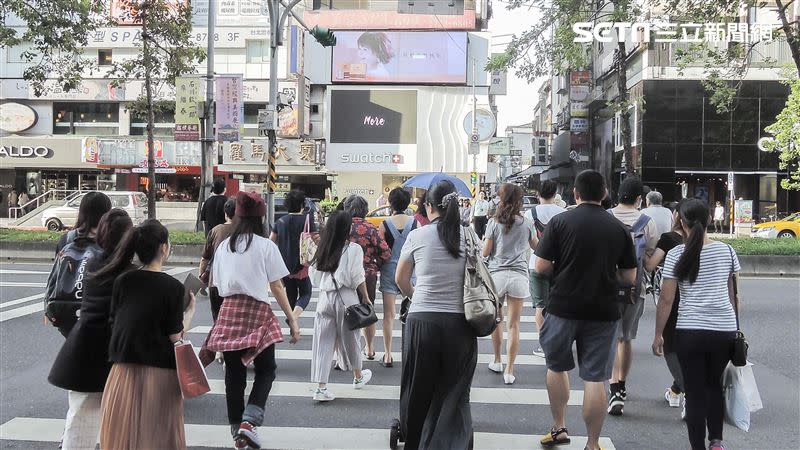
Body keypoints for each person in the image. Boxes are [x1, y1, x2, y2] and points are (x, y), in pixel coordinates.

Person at [534, 170, 637, 450]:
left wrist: (564, 271)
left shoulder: (559, 222)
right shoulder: (618, 228)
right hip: (603, 311)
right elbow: (629, 278)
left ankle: (559, 428)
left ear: (575, 194)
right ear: (604, 194)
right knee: (595, 378)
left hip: (563, 306)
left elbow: (540, 267)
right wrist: (605, 274)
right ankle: (592, 444)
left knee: (556, 367)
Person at [202, 192, 301, 450]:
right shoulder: (265, 246)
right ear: (261, 218)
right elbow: (277, 286)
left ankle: (237, 431)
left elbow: (218, 286)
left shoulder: (224, 246)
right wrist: (292, 320)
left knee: (234, 375)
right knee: (266, 369)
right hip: (257, 311)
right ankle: (250, 422)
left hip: (229, 309)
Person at [98, 219, 196, 450]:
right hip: (158, 372)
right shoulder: (172, 287)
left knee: (124, 437)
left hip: (121, 371)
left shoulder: (123, 281)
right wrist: (189, 313)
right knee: (156, 436)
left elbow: (114, 320)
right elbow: (176, 337)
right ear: (163, 248)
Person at [653, 199, 740, 450]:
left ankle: (697, 447)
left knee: (694, 391)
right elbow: (733, 296)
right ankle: (716, 442)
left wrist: (658, 334)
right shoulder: (727, 251)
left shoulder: (675, 253)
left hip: (690, 330)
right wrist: (733, 328)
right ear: (710, 220)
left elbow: (667, 299)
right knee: (714, 385)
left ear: (680, 222)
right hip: (723, 330)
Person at [395, 180, 475, 449]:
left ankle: (415, 443)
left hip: (423, 321)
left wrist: (415, 295)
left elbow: (401, 279)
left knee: (418, 389)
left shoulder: (418, 235)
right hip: (460, 323)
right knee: (455, 393)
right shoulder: (470, 235)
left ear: (429, 206)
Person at [48, 209, 134, 450]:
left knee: (80, 419)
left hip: (83, 348)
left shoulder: (94, 259)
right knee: (116, 423)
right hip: (111, 352)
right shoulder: (127, 272)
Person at [607, 176, 659, 416]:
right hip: (633, 289)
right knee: (625, 338)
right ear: (640, 199)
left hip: (605, 288)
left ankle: (611, 386)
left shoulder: (606, 217)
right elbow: (648, 264)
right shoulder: (647, 222)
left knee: (609, 338)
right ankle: (621, 386)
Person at [309, 211, 374, 401]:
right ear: (348, 228)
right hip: (346, 298)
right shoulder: (353, 249)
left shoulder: (322, 247)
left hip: (324, 298)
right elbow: (357, 277)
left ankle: (321, 388)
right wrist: (366, 296)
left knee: (323, 342)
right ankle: (358, 377)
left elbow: (314, 277)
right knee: (351, 340)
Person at [484, 183, 537, 385]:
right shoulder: (526, 222)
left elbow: (485, 253)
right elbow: (536, 246)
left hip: (496, 276)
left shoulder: (494, 222)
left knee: (497, 321)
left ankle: (497, 360)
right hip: (518, 276)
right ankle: (509, 370)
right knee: (514, 325)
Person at [645, 200, 687, 416]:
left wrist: (641, 249)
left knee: (671, 348)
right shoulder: (712, 245)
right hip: (700, 306)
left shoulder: (670, 240)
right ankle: (676, 389)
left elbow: (651, 265)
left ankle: (687, 392)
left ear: (678, 217)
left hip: (676, 300)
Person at [343, 195, 391, 360]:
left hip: (343, 277)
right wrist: (374, 264)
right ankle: (369, 349)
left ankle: (345, 353)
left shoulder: (340, 228)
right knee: (366, 311)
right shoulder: (371, 229)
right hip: (366, 276)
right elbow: (386, 253)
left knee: (345, 313)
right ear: (364, 210)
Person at [524, 180, 566, 358]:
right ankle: (558, 341)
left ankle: (544, 345)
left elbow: (527, 240)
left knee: (540, 306)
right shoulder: (563, 213)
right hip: (560, 265)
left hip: (536, 263)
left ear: (538, 194)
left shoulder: (529, 213)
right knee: (558, 306)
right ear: (555, 193)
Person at [377, 188, 416, 367]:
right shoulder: (416, 224)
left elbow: (381, 251)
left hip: (389, 271)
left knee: (388, 315)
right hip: (410, 273)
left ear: (390, 203)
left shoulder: (384, 224)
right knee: (413, 314)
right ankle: (412, 353)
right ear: (407, 203)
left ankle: (387, 354)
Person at [270, 190, 318, 320]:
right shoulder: (307, 220)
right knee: (306, 293)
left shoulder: (280, 222)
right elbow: (316, 239)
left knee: (290, 295)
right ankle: (293, 317)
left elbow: (271, 242)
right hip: (302, 264)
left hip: (284, 265)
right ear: (302, 205)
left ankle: (292, 325)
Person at [199, 197, 236, 321]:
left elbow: (205, 258)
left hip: (215, 282)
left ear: (226, 213)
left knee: (218, 321)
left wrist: (202, 276)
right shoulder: (245, 232)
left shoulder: (215, 231)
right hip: (236, 284)